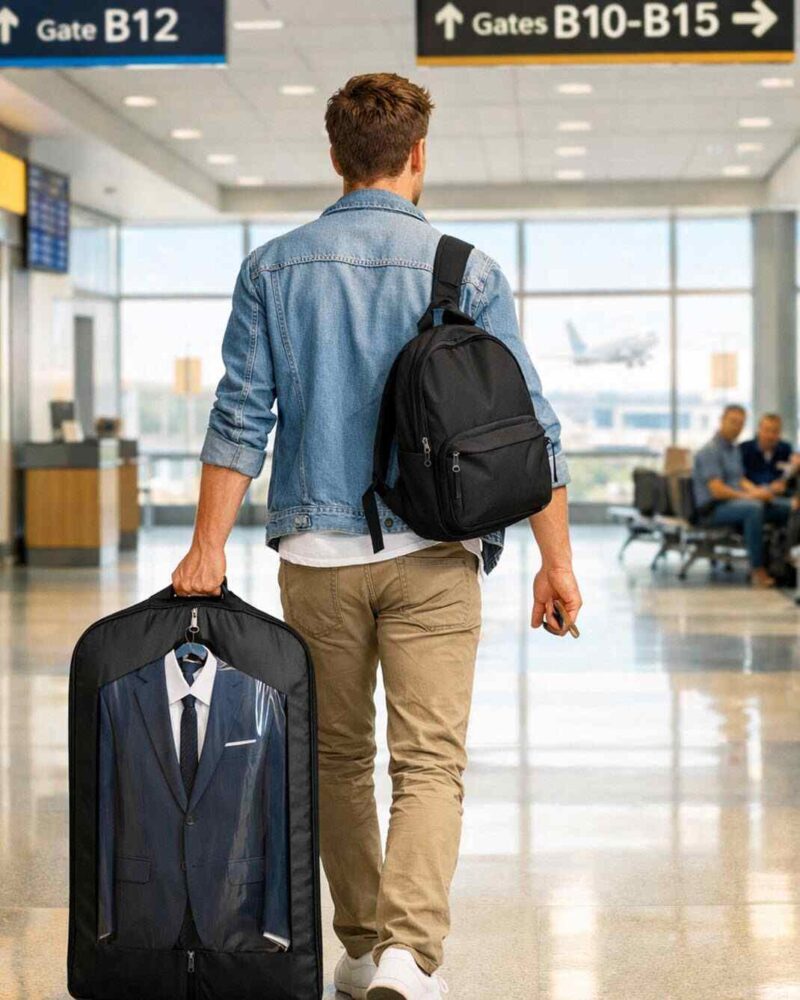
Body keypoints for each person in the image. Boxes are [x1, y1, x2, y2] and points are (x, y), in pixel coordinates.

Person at [171, 73, 581, 1000]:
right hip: (435, 555)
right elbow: (531, 429)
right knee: (430, 761)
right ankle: (406, 953)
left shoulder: (273, 266)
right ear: (419, 155)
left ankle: (358, 947)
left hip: (316, 561)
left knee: (336, 759)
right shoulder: (466, 268)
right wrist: (555, 563)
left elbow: (242, 417)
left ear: (335, 157)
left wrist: (205, 548)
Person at [692, 404, 792, 588]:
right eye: (733, 422)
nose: (736, 427)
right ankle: (757, 569)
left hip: (734, 504)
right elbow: (717, 490)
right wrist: (751, 498)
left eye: (741, 424)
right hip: (712, 509)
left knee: (786, 507)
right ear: (722, 420)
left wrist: (759, 492)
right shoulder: (710, 451)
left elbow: (740, 480)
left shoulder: (733, 450)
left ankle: (784, 560)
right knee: (753, 509)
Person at [740, 412, 800, 495]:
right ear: (759, 430)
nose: (770, 435)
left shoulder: (786, 449)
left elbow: (790, 472)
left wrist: (796, 467)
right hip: (753, 494)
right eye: (766, 430)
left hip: (780, 495)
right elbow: (738, 477)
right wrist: (758, 491)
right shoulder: (744, 449)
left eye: (775, 431)